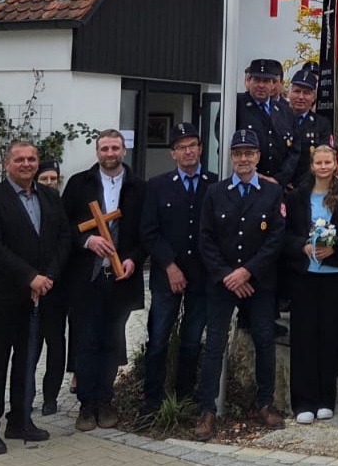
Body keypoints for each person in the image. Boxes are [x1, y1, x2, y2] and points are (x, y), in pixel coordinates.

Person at [0, 141, 69, 453]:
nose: (26, 164)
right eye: (20, 159)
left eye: (32, 159)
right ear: (6, 163)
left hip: (40, 295)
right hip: (3, 296)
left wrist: (48, 276)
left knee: (27, 360)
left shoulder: (50, 196)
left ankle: (20, 420)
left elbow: (63, 237)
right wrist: (30, 277)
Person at [195, 129, 287, 441]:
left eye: (249, 153)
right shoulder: (216, 192)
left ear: (258, 157)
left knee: (264, 340)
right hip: (223, 283)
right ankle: (207, 409)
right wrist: (227, 275)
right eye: (238, 153)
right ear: (231, 157)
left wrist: (247, 272)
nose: (244, 159)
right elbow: (205, 238)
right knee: (214, 344)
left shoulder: (272, 193)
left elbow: (275, 239)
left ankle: (264, 403)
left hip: (257, 281)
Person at [62, 129, 146, 433]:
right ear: (97, 152)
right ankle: (86, 404)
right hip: (86, 277)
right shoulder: (78, 184)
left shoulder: (138, 187)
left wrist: (132, 258)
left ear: (124, 151)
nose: (110, 153)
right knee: (85, 341)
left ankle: (106, 400)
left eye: (115, 148)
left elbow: (144, 232)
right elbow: (63, 226)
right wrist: (87, 242)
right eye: (104, 148)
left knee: (112, 341)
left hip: (120, 277)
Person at [285, 146, 338, 423]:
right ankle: (303, 401)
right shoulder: (297, 196)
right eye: (318, 162)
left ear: (335, 165)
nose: (323, 166)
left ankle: (324, 399)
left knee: (329, 338)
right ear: (311, 166)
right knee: (303, 337)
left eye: (327, 162)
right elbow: (284, 234)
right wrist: (303, 246)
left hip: (336, 275)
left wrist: (336, 249)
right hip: (304, 276)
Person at [139, 122, 215, 419]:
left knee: (192, 340)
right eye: (182, 147)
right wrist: (170, 266)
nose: (188, 151)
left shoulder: (214, 183)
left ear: (200, 148)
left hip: (201, 277)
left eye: (193, 145)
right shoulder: (157, 185)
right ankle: (152, 401)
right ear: (173, 153)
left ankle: (185, 397)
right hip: (165, 275)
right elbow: (149, 231)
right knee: (158, 339)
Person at [31, 159, 69, 416]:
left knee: (55, 342)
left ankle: (51, 397)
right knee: (30, 345)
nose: (49, 183)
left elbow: (65, 243)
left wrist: (51, 275)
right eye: (44, 179)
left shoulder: (62, 206)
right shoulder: (28, 205)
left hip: (57, 285)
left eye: (53, 179)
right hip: (31, 285)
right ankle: (25, 394)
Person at [234, 58, 298, 187]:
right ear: (249, 81)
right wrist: (254, 175)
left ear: (273, 84)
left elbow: (294, 150)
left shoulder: (285, 112)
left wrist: (279, 179)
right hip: (246, 183)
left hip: (277, 186)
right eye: (256, 80)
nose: (261, 85)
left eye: (266, 81)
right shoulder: (235, 105)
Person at [286, 66, 334, 184]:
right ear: (289, 93)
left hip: (309, 186)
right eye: (297, 91)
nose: (301, 97)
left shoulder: (322, 124)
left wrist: (303, 185)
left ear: (314, 97)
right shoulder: (278, 118)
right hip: (280, 186)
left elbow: (323, 157)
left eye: (306, 93)